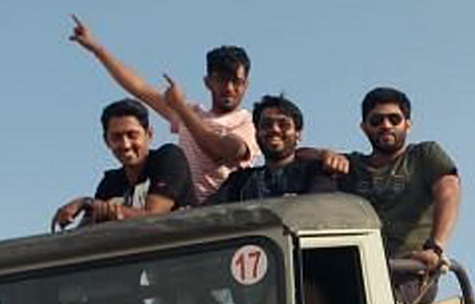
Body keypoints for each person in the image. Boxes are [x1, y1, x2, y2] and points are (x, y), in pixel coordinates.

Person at [68, 16, 256, 203]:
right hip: (184, 213)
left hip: (223, 216)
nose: (229, 88)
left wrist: (181, 108)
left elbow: (219, 151)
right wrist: (97, 49)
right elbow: (139, 87)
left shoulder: (247, 123)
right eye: (222, 80)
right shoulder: (191, 113)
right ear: (208, 82)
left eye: (236, 82)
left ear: (246, 84)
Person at [339, 86, 460, 275]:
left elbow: (449, 191)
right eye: (377, 120)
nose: (386, 125)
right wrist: (324, 155)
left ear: (408, 124)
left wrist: (435, 248)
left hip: (411, 270)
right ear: (364, 127)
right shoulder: (351, 166)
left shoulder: (424, 155)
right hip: (361, 273)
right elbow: (298, 157)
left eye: (394, 119)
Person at [51, 100, 194, 230]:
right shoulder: (111, 182)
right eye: (116, 137)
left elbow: (154, 218)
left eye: (132, 135)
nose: (125, 145)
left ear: (149, 134)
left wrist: (86, 203)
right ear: (106, 141)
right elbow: (89, 232)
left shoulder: (168, 158)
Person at [200, 94, 337, 204]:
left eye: (283, 124)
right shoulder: (240, 182)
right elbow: (206, 213)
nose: (275, 130)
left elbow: (316, 207)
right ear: (256, 133)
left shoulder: (316, 173)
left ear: (298, 134)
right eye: (266, 125)